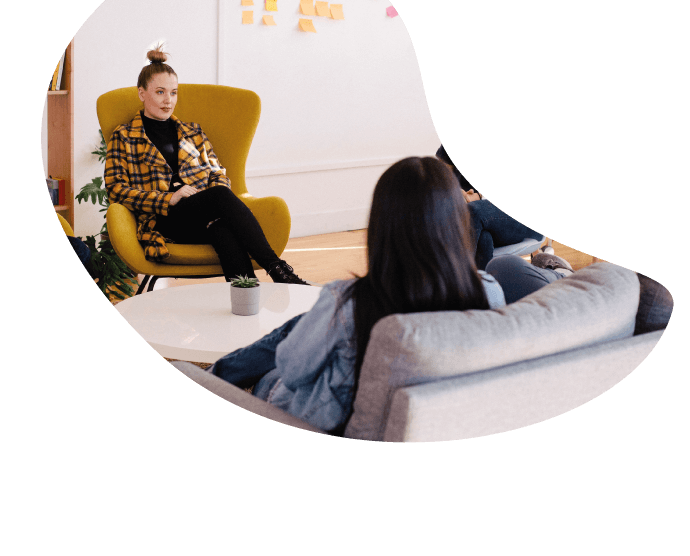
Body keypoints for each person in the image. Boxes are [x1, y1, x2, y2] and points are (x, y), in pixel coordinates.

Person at [208, 156, 507, 435]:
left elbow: (292, 370)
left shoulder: (350, 301)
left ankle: (211, 378)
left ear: (381, 225)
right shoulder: (488, 291)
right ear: (457, 222)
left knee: (278, 364)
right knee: (308, 324)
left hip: (330, 422)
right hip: (433, 424)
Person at [104, 43, 309, 286]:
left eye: (173, 92)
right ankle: (278, 269)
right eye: (160, 92)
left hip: (203, 212)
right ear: (142, 94)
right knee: (220, 196)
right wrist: (169, 198)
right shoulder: (124, 136)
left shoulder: (193, 132)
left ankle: (248, 295)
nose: (168, 100)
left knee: (222, 229)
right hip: (163, 219)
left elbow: (217, 172)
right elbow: (116, 189)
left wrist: (206, 201)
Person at [436, 145, 545, 270]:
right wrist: (455, 192)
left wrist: (479, 196)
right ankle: (481, 281)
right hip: (473, 217)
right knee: (483, 238)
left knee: (473, 212)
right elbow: (442, 174)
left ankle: (453, 277)